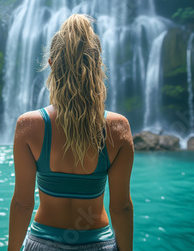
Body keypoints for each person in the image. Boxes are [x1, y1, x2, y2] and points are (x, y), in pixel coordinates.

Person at [8, 14, 134, 251]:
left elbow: (22, 204)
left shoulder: (29, 125)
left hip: (43, 244)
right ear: (97, 63)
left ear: (52, 64)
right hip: (99, 244)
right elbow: (121, 207)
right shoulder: (118, 128)